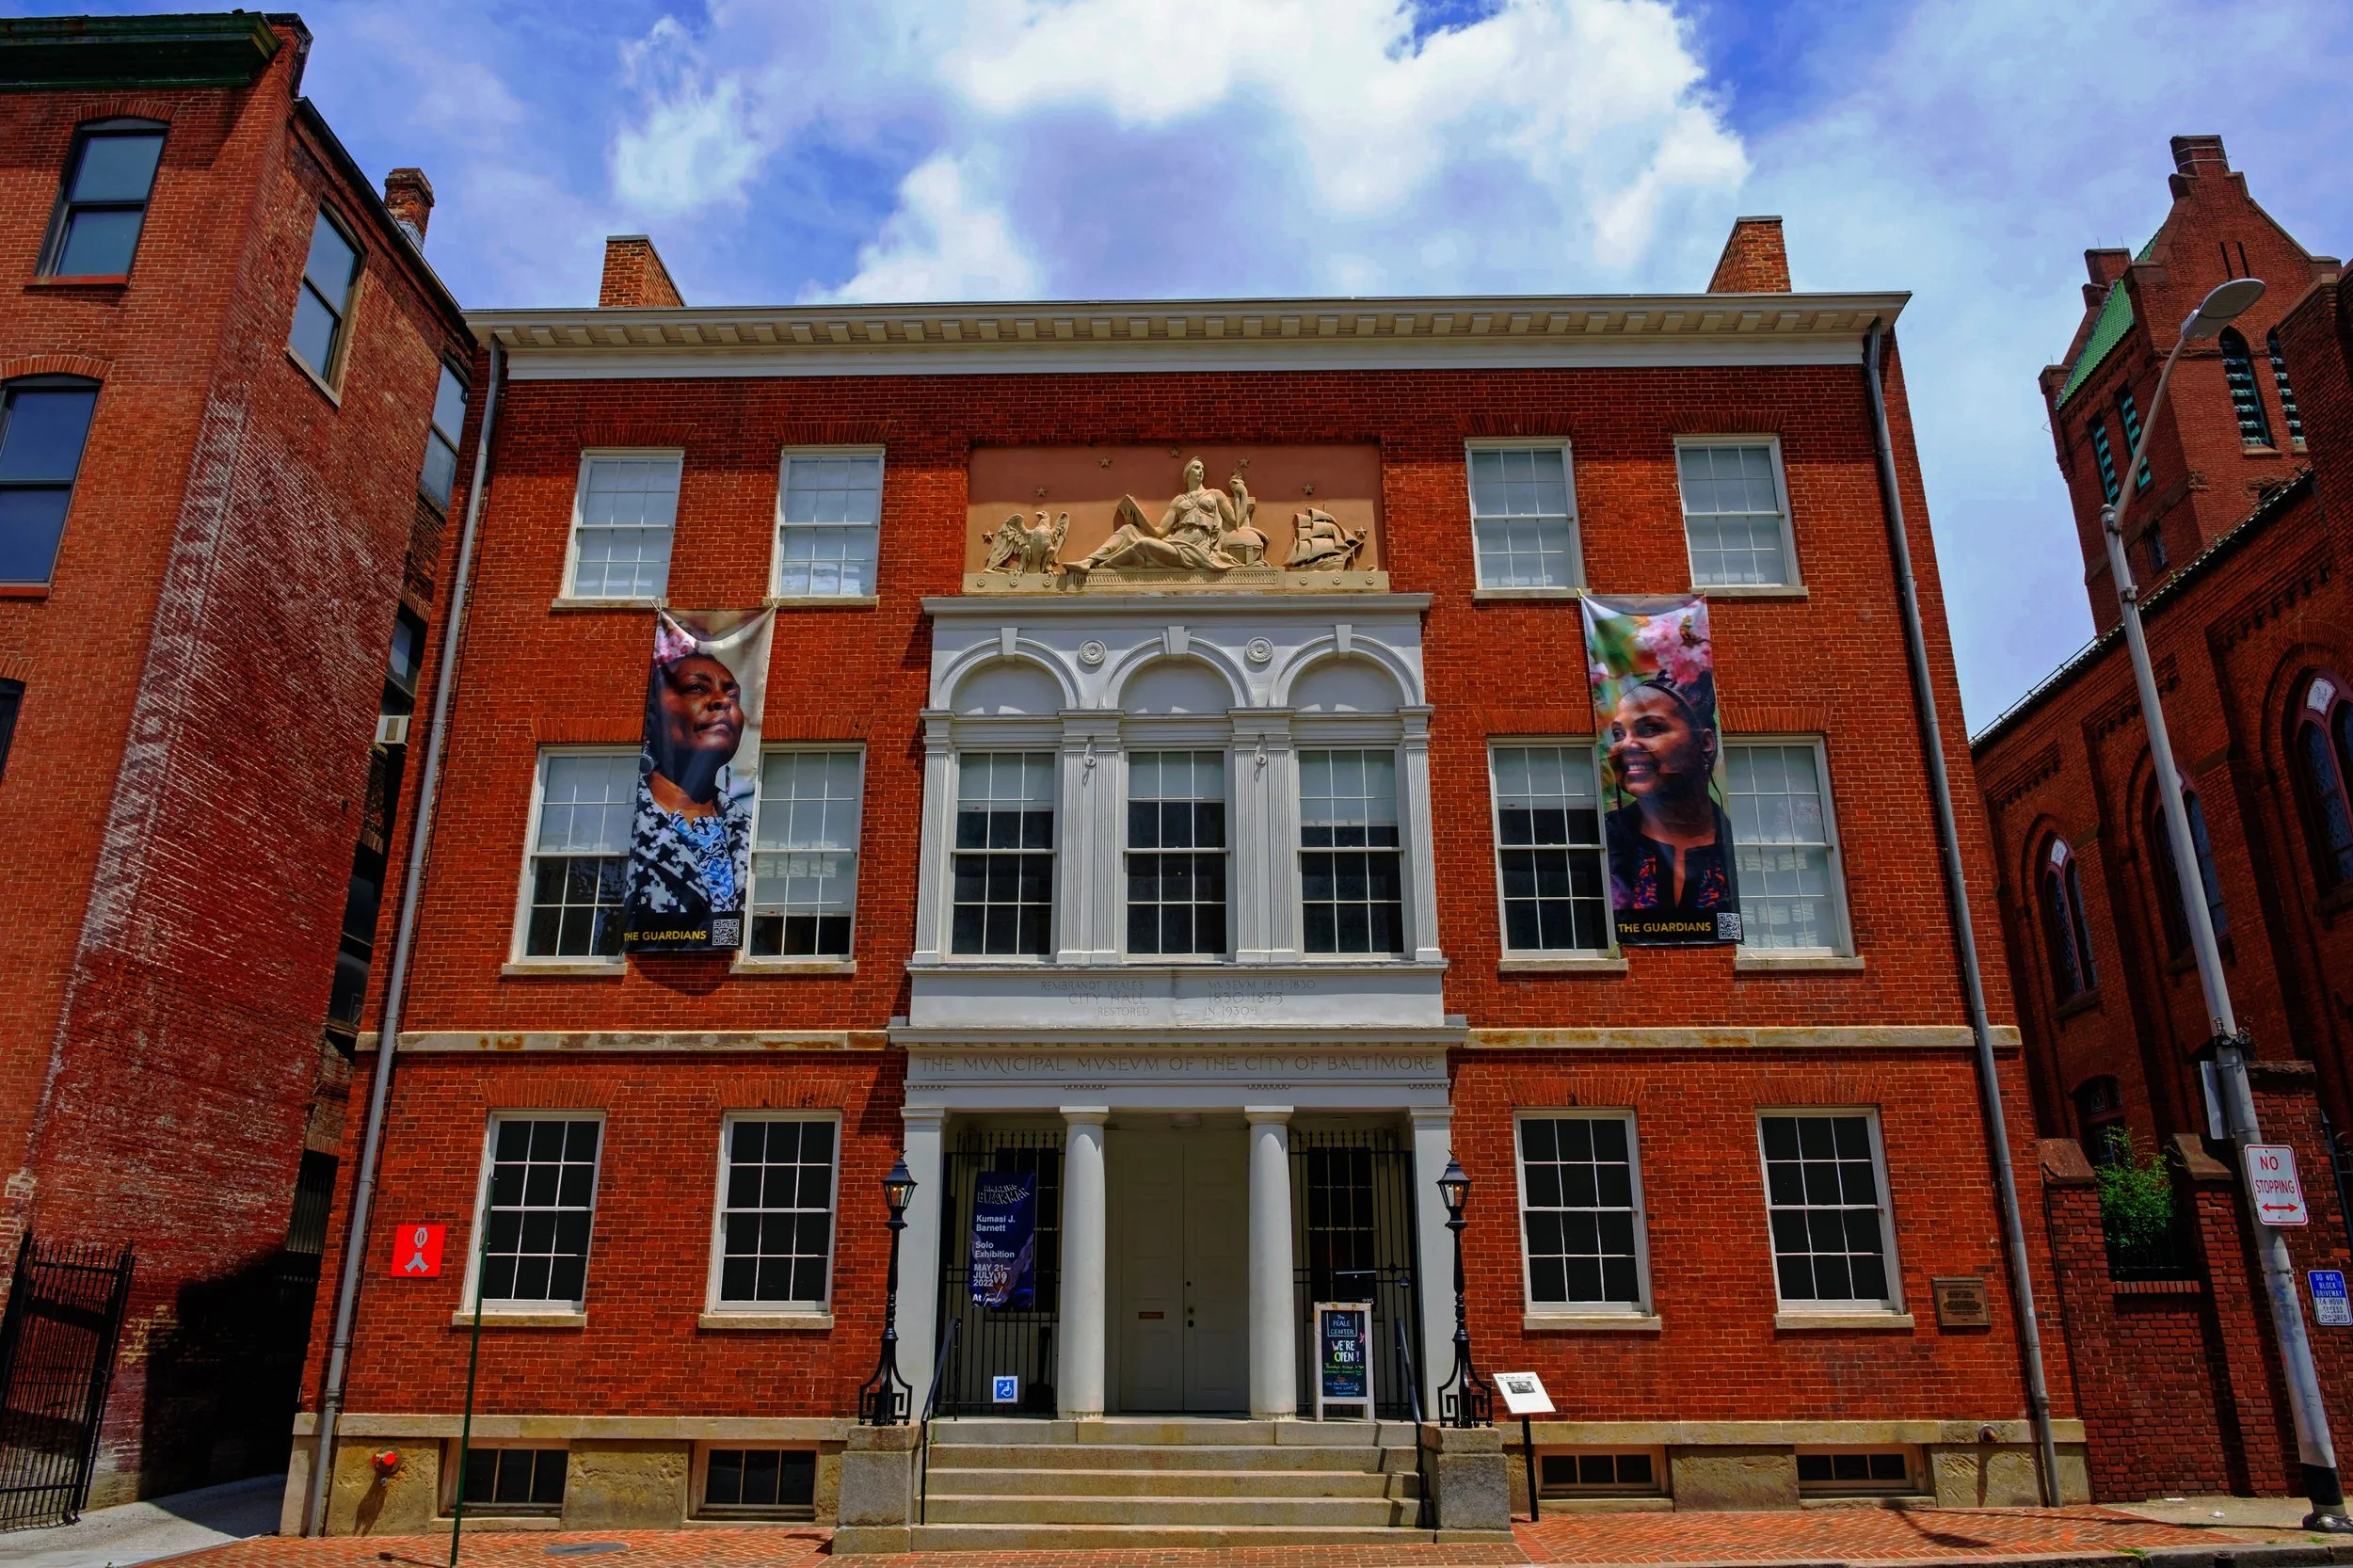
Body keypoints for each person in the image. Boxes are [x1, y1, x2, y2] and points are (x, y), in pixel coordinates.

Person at [628, 645, 751, 935]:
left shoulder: (747, 826)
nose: (722, 701)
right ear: (653, 714)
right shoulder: (623, 812)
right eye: (697, 688)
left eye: (733, 695)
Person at [1603, 671, 1735, 913]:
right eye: (1618, 734)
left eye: (1650, 729)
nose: (1626, 745)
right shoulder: (1602, 838)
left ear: (1706, 742)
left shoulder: (1738, 835)